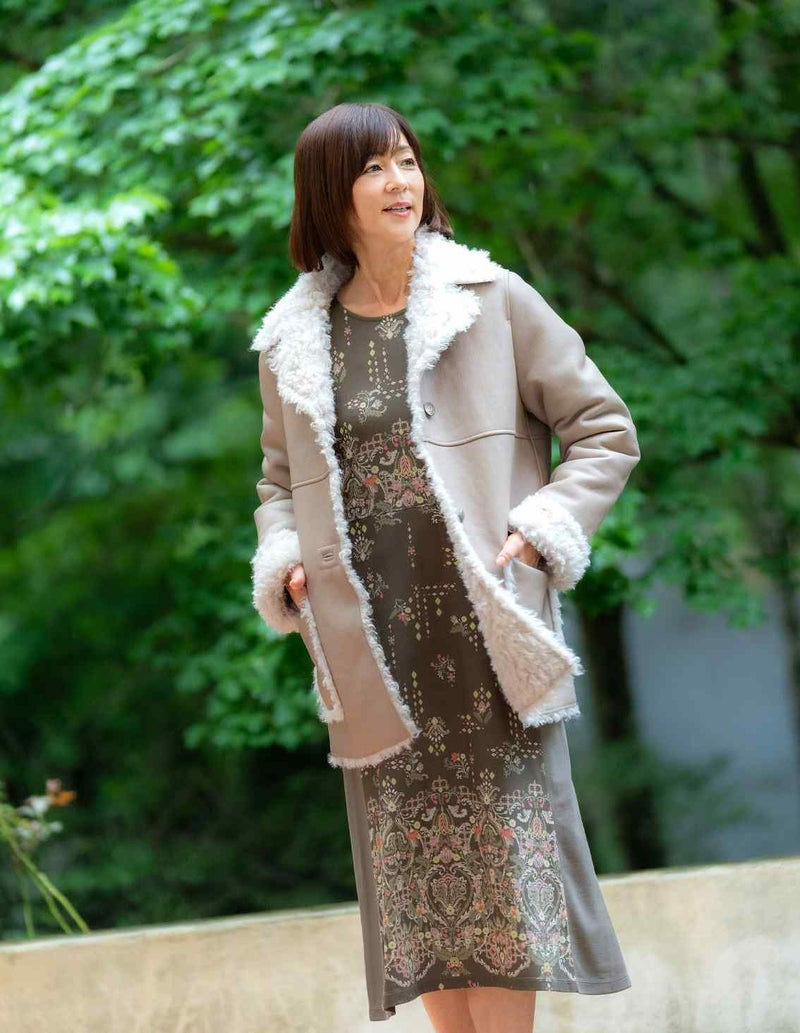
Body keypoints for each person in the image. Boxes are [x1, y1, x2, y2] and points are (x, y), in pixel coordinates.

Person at [249, 102, 640, 1031]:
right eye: (373, 168)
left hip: (486, 644)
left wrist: (543, 527)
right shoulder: (295, 338)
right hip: (376, 657)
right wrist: (286, 557)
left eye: (407, 161)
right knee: (422, 899)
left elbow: (604, 428)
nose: (400, 182)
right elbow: (276, 483)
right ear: (329, 194)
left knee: (505, 894)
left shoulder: (492, 297)